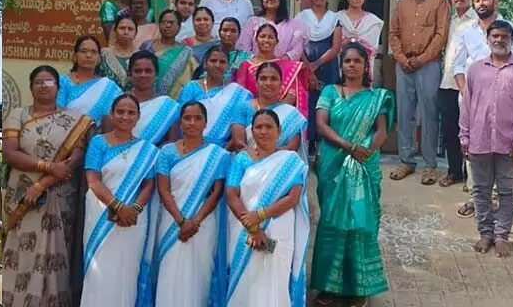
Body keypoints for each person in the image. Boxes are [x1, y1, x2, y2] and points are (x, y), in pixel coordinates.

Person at [311, 43, 395, 304]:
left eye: (357, 61)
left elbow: (382, 130)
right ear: (341, 65)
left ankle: (359, 288)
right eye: (347, 61)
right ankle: (328, 286)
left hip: (364, 164)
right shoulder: (330, 91)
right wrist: (350, 147)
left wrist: (365, 151)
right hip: (333, 165)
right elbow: (321, 125)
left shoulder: (377, 97)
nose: (352, 65)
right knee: (331, 224)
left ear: (365, 65)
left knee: (361, 225)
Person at [2, 65, 93, 307]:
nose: (44, 85)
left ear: (58, 87)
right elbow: (10, 154)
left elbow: (73, 160)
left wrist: (42, 184)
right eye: (38, 82)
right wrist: (48, 167)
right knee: (22, 254)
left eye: (49, 81)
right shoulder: (17, 115)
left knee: (56, 253)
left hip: (59, 195)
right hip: (22, 195)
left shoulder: (75, 121)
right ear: (31, 87)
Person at [459, 20, 513, 259]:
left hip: (509, 143)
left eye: (504, 36)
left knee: (507, 190)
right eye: (495, 36)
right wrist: (464, 135)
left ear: (511, 40)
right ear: (488, 39)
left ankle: (502, 236)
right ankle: (485, 234)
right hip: (479, 140)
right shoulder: (475, 70)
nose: (499, 40)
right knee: (481, 191)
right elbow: (467, 105)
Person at [449, 0, 513, 217]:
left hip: (504, 101)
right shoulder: (465, 31)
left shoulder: (512, 30)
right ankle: (476, 198)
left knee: (502, 148)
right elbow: (458, 65)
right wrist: (466, 93)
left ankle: (498, 200)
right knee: (473, 147)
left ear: (496, 2)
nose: (481, 3)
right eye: (477, 0)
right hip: (472, 101)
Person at [224, 110, 309, 307]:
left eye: (269, 127)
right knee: (245, 283)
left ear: (279, 131)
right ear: (251, 131)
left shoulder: (291, 161)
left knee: (275, 280)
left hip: (278, 231)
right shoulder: (241, 160)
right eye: (258, 127)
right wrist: (253, 228)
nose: (263, 131)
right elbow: (231, 195)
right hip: (245, 232)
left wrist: (260, 215)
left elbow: (293, 198)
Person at [80, 96, 158, 307]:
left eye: (131, 112)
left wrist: (134, 208)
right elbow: (92, 180)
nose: (125, 116)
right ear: (112, 115)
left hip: (133, 219)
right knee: (99, 273)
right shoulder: (98, 142)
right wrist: (117, 206)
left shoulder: (147, 150)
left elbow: (149, 185)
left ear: (138, 117)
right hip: (101, 216)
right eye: (120, 112)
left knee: (127, 272)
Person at [154, 101, 231, 307]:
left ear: (206, 123)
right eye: (187, 118)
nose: (192, 123)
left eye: (197, 118)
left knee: (200, 273)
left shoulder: (218, 155)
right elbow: (163, 189)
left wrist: (195, 221)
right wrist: (181, 220)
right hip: (172, 222)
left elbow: (216, 192)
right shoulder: (167, 152)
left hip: (203, 224)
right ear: (180, 122)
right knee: (170, 272)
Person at [387, 0, 449, 186]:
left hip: (429, 65)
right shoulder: (402, 3)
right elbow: (393, 33)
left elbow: (441, 34)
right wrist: (403, 59)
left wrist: (421, 59)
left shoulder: (440, 2)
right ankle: (406, 161)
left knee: (429, 114)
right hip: (403, 66)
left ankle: (430, 165)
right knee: (404, 113)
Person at [437, 0, 476, 190]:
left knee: (470, 132)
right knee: (450, 131)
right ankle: (454, 172)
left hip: (469, 86)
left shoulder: (478, 22)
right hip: (447, 84)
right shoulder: (450, 21)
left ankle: (472, 178)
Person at [297, 0, 342, 153]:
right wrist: (308, 68)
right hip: (304, 66)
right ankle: (308, 145)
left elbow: (336, 47)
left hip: (327, 67)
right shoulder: (301, 17)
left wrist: (316, 65)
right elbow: (297, 44)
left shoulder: (334, 18)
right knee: (308, 103)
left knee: (326, 104)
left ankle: (325, 147)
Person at [179, 47, 252, 152]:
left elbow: (240, 125)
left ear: (227, 66)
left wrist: (223, 151)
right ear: (205, 63)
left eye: (222, 62)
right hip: (188, 145)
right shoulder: (191, 88)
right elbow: (180, 120)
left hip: (219, 149)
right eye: (213, 61)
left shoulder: (238, 93)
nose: (217, 65)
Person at [233, 24, 308, 117]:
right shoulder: (245, 65)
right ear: (256, 40)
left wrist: (274, 114)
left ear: (277, 42)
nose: (266, 40)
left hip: (281, 116)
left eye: (270, 37)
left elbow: (292, 95)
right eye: (262, 36)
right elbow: (241, 94)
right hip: (251, 114)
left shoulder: (289, 66)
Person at [241, 62, 307, 156]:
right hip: (248, 162)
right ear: (256, 83)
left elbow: (291, 148)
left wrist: (265, 155)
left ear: (281, 84)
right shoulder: (243, 107)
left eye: (274, 79)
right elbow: (238, 143)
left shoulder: (291, 115)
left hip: (279, 164)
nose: (268, 83)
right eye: (263, 78)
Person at [59, 35, 123, 123]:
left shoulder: (108, 86)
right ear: (75, 56)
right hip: (66, 133)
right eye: (83, 51)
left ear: (99, 59)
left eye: (94, 52)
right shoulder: (62, 81)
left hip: (98, 135)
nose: (89, 55)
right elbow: (55, 112)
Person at [237, 0, 307, 62]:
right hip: (255, 67)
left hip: (284, 68)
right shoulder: (252, 22)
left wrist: (278, 62)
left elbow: (297, 50)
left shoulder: (294, 24)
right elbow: (243, 47)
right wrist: (258, 62)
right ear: (262, 0)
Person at [124, 51, 182, 146]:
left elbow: (172, 143)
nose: (143, 75)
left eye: (148, 71)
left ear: (156, 75)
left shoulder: (168, 106)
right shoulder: (118, 102)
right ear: (129, 74)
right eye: (138, 71)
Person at [142, 10, 197, 99]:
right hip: (146, 96)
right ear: (159, 25)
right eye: (164, 22)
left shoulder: (186, 52)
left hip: (173, 100)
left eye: (171, 23)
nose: (167, 26)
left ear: (179, 27)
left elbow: (188, 79)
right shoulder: (147, 46)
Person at [336, 0, 384, 66]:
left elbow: (372, 47)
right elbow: (332, 45)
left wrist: (350, 40)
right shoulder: (336, 18)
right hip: (339, 64)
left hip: (363, 64)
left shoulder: (373, 21)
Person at [101, 15, 140, 87]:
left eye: (130, 29)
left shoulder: (141, 56)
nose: (126, 32)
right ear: (115, 32)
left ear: (135, 34)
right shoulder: (103, 54)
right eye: (122, 28)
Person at [182, 6, 219, 74]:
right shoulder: (185, 44)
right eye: (198, 20)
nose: (202, 22)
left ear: (212, 22)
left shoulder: (219, 45)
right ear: (193, 23)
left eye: (206, 19)